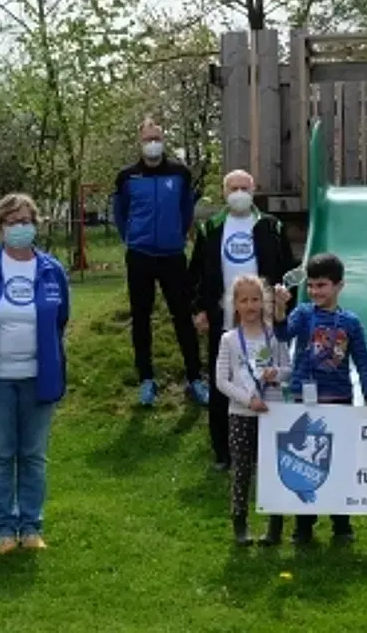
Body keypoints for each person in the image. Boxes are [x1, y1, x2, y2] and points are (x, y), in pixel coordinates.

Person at [0, 193, 71, 555]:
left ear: (36, 224)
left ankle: (31, 526)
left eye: (25, 221)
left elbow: (60, 319)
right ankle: (5, 528)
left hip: (39, 376)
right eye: (11, 221)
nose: (19, 227)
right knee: (1, 455)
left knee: (33, 455)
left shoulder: (52, 270)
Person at [272, 252, 367, 545]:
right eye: (310, 286)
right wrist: (280, 308)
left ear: (339, 286)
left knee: (339, 462)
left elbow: (363, 361)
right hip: (304, 398)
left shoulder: (350, 322)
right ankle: (304, 524)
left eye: (321, 285)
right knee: (303, 460)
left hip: (338, 399)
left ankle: (341, 523)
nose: (315, 291)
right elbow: (283, 334)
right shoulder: (303, 313)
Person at [189, 169, 296, 471]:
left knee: (266, 381)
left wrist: (284, 303)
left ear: (253, 189)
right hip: (222, 319)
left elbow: (287, 270)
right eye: (233, 188)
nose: (239, 193)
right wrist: (198, 309)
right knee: (224, 382)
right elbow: (196, 272)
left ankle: (264, 449)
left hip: (263, 323)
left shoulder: (271, 226)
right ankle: (224, 452)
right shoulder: (211, 226)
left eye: (244, 187)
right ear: (224, 193)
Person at [113, 118, 209, 408]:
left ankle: (195, 379)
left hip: (172, 256)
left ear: (164, 140)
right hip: (140, 256)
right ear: (139, 142)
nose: (152, 143)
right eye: (147, 138)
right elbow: (120, 213)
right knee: (141, 319)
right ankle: (146, 380)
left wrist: (175, 237)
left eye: (157, 137)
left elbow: (186, 210)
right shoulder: (127, 177)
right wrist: (132, 238)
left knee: (183, 317)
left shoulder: (180, 173)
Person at [214, 275, 292, 546]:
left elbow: (289, 370)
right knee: (242, 470)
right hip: (241, 413)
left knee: (272, 470)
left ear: (265, 302)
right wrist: (248, 400)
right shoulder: (229, 340)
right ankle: (240, 524)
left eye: (255, 299)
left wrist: (276, 374)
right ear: (235, 304)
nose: (250, 305)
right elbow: (222, 380)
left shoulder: (276, 336)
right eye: (244, 300)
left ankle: (274, 526)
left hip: (273, 413)